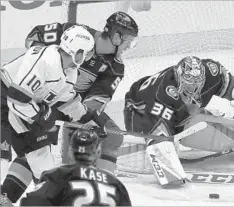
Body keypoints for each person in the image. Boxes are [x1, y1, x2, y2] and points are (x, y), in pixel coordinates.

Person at [123, 55, 234, 185]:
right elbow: (159, 143)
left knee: (231, 130)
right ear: (178, 78)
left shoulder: (211, 72)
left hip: (183, 113)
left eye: (198, 84)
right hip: (139, 112)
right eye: (189, 85)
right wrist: (167, 164)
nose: (195, 89)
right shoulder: (160, 95)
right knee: (167, 156)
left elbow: (232, 89)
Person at [24, 11, 139, 173]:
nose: (129, 47)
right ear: (116, 37)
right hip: (44, 98)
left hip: (74, 105)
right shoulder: (76, 33)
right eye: (129, 41)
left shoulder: (115, 67)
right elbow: (35, 35)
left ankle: (106, 183)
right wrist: (42, 65)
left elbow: (96, 100)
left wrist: (84, 122)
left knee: (113, 136)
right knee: (38, 140)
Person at [0, 25, 100, 204]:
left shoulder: (70, 71)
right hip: (3, 97)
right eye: (87, 52)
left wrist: (88, 120)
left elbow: (66, 100)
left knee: (43, 162)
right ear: (77, 51)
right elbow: (16, 97)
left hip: (25, 107)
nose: (89, 57)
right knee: (1, 156)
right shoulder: (46, 61)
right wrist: (41, 117)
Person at [19, 129, 132, 206]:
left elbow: (30, 203)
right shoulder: (116, 184)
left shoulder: (57, 175)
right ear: (98, 152)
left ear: (70, 151)